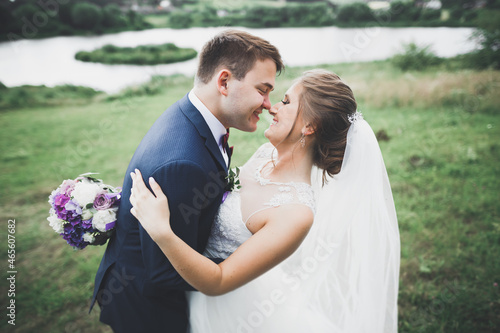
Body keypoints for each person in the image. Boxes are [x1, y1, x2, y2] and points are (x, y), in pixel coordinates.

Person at [129, 69, 401, 332]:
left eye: (286, 101)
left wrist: (162, 231)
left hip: (231, 309)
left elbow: (219, 281)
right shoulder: (264, 153)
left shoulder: (296, 213)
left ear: (309, 126)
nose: (272, 107)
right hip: (184, 283)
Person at [89, 29, 284, 333]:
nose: (269, 104)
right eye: (263, 90)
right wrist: (241, 265)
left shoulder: (192, 115)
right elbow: (165, 273)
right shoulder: (183, 164)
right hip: (150, 311)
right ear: (224, 82)